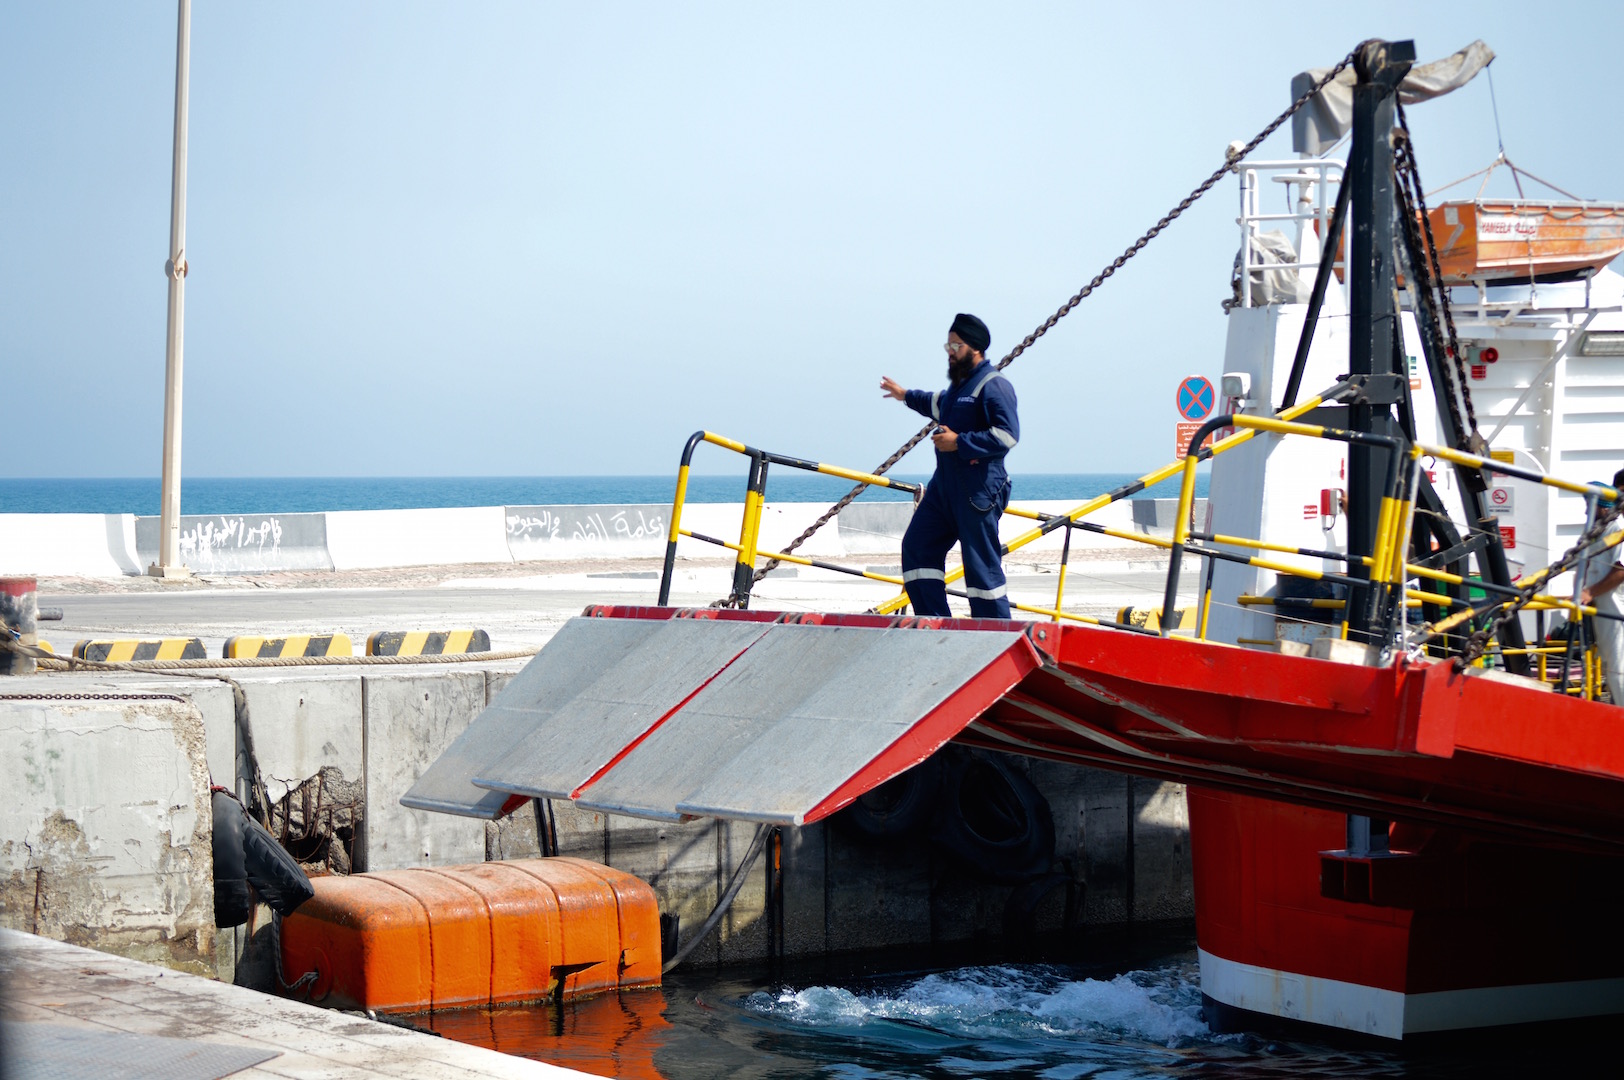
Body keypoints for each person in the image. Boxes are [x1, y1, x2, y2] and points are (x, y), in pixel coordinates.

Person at [880, 313, 1019, 618]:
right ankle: (934, 622)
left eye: (956, 345)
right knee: (918, 547)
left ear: (976, 348)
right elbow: (935, 402)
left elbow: (1007, 435)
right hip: (944, 488)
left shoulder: (994, 385)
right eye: (948, 345)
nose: (950, 352)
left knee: (980, 567)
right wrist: (904, 395)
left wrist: (959, 442)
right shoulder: (960, 387)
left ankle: (995, 631)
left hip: (979, 489)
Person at [1578, 467, 1624, 703]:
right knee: (1609, 666)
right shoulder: (1597, 531)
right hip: (1601, 608)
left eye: (1590, 505)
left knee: (1618, 667)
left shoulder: (1619, 528)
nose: (1586, 511)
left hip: (1616, 609)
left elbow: (1621, 570)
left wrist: (1588, 592)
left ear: (1603, 506)